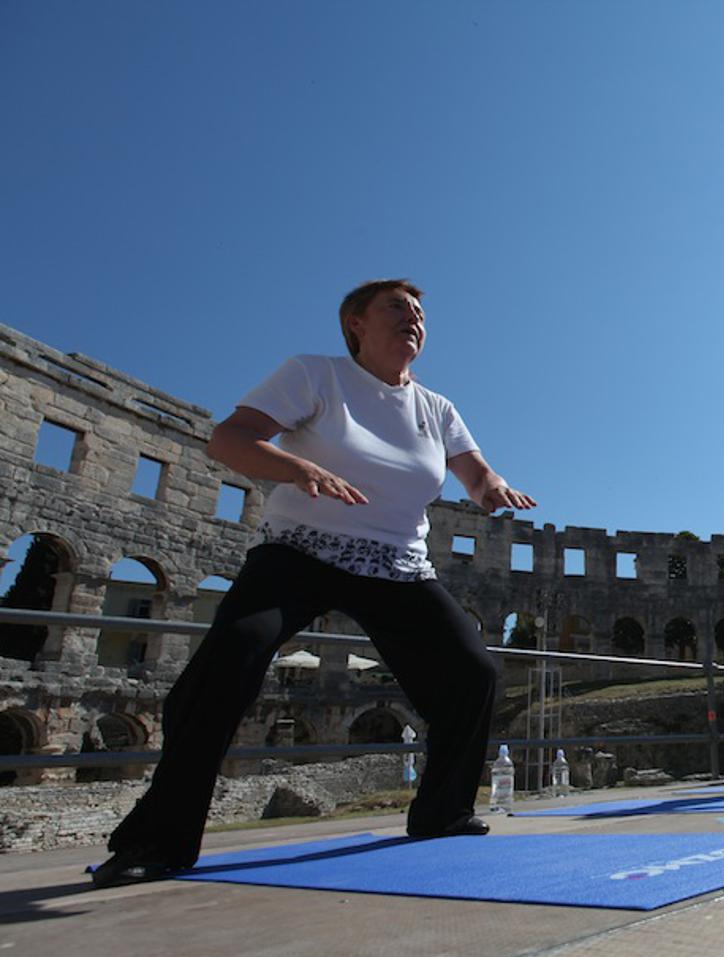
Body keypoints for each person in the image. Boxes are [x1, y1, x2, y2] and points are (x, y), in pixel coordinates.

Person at [93, 279, 536, 887]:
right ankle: (156, 839)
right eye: (396, 308)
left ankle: (443, 812)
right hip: (301, 550)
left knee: (472, 673)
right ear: (355, 323)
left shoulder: (437, 409)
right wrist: (296, 466)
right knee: (228, 660)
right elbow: (229, 438)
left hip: (395, 564)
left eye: (419, 314)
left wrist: (492, 490)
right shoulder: (316, 375)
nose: (413, 319)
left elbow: (475, 473)